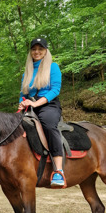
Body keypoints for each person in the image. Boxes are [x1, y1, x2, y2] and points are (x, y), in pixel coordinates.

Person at [18, 37, 64, 187]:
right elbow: (23, 93)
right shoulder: (27, 72)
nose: (37, 52)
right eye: (34, 49)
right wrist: (21, 103)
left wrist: (36, 103)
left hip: (48, 105)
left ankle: (59, 170)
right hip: (29, 105)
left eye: (40, 49)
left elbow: (55, 90)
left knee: (49, 125)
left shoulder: (53, 67)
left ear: (45, 51)